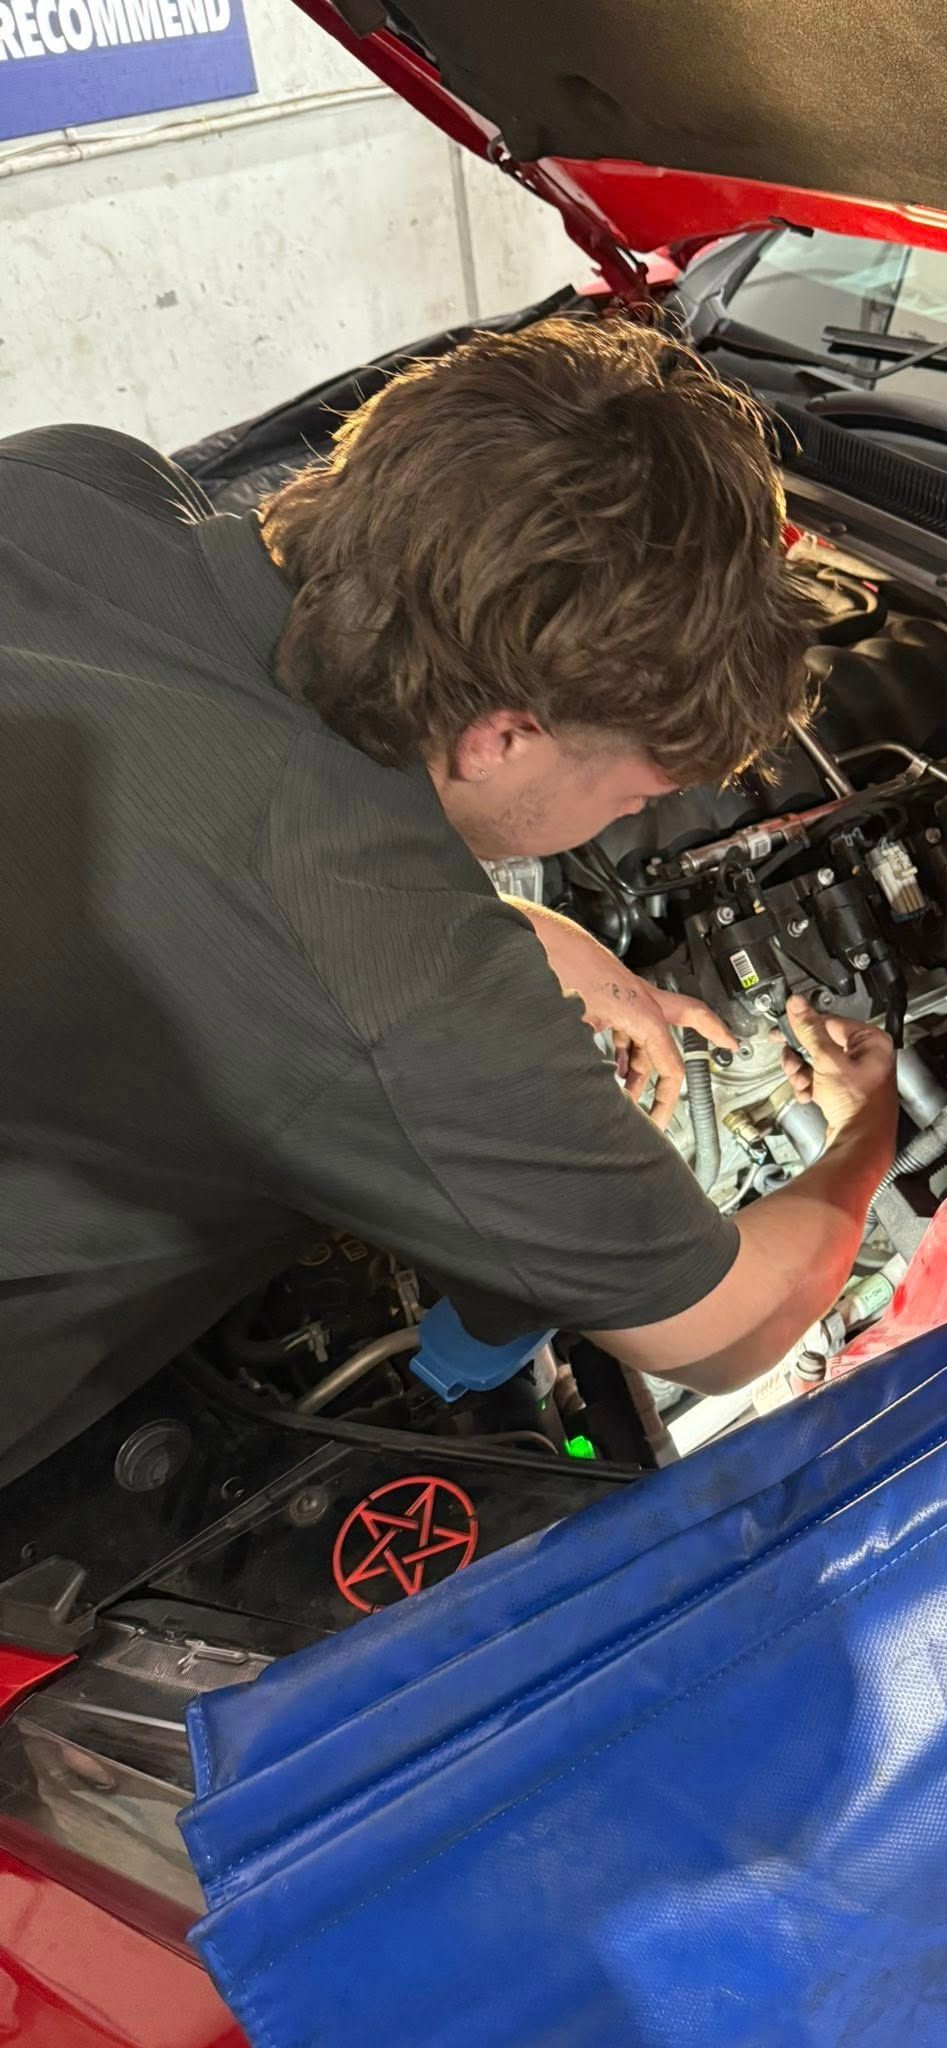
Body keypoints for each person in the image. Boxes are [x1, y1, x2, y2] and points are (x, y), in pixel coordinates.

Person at [0, 317, 897, 1484]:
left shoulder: (77, 479)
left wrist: (532, 932)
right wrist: (864, 1133)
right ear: (504, 736)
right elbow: (726, 1328)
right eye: (640, 791)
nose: (629, 822)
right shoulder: (396, 990)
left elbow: (196, 830)